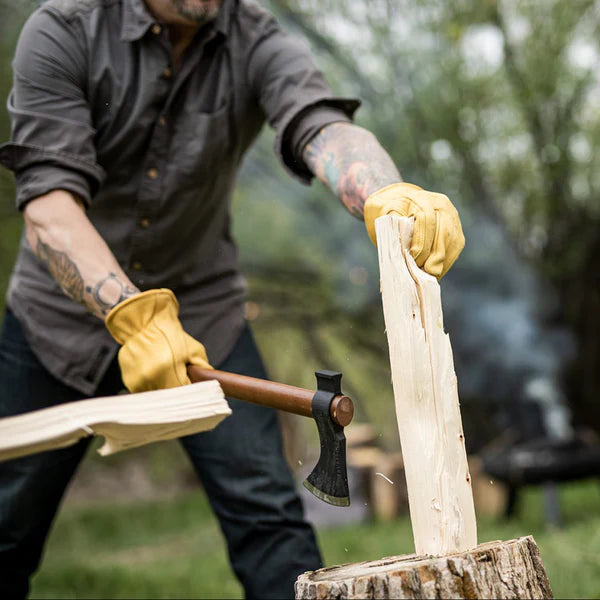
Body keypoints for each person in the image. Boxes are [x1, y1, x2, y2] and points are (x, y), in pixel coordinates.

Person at [0, 0, 465, 597]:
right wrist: (131, 313)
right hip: (52, 323)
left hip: (204, 319)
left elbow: (321, 126)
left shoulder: (258, 38)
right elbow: (47, 205)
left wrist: (384, 192)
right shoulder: (62, 30)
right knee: (6, 529)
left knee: (270, 524)